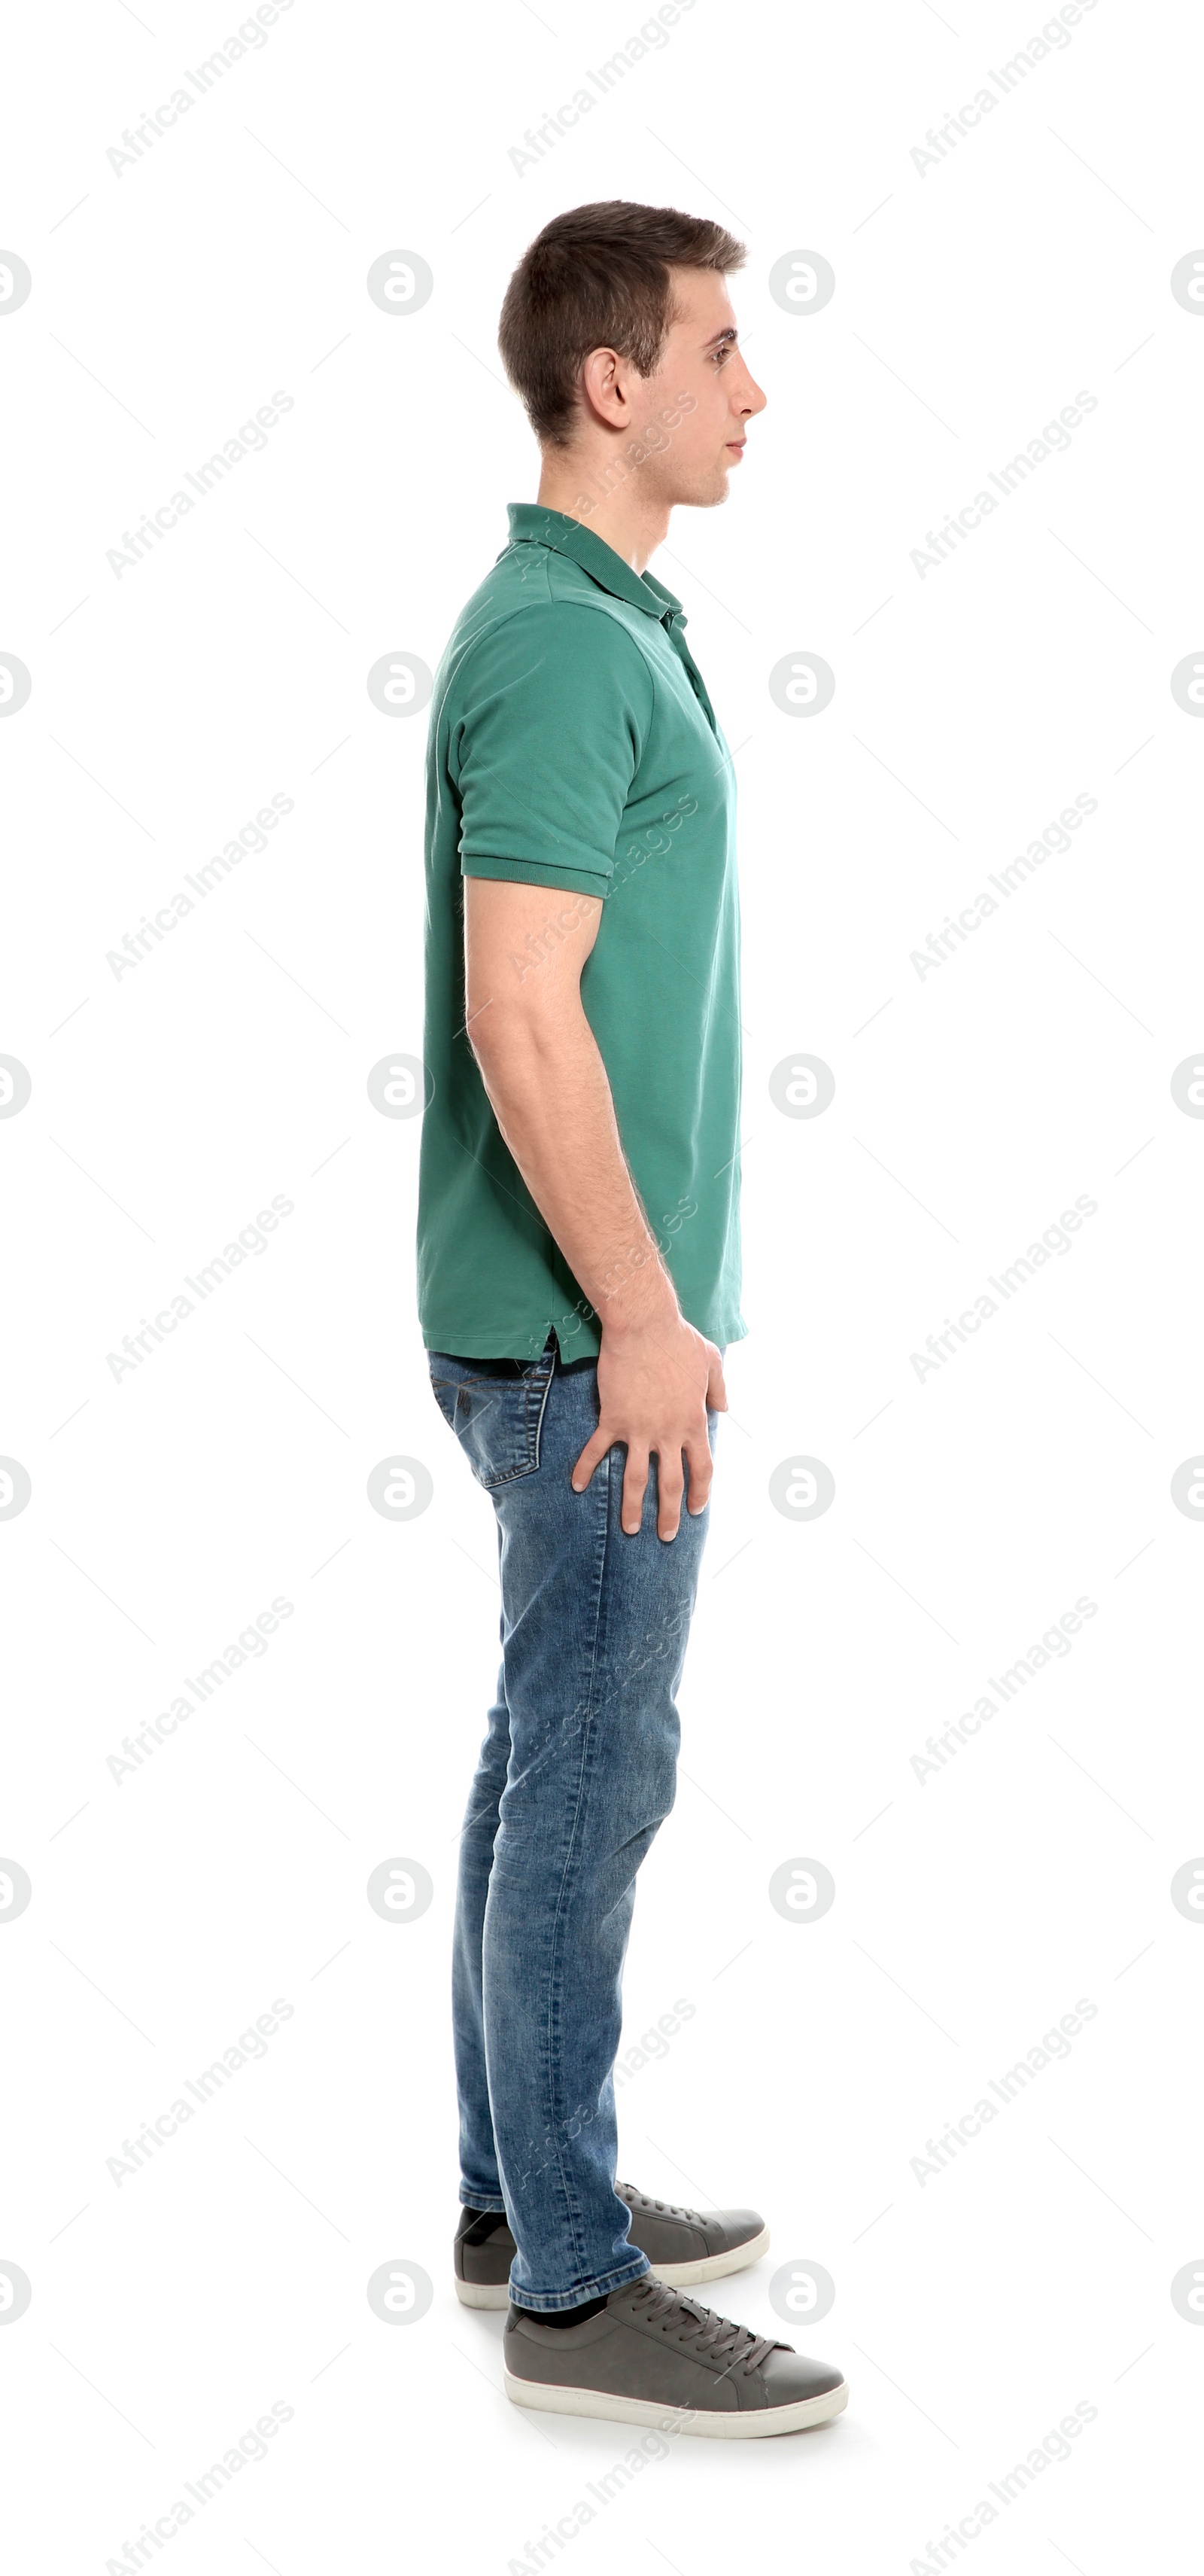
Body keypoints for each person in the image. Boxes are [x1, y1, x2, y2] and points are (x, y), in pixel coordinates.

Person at [417, 199, 847, 2437]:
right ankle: (574, 2296)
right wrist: (649, 1323)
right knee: (596, 1771)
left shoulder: (597, 619)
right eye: (719, 348)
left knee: (539, 1760)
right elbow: (523, 1016)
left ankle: (518, 2195)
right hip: (588, 1340)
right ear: (617, 384)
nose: (750, 388)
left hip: (564, 1322)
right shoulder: (569, 644)